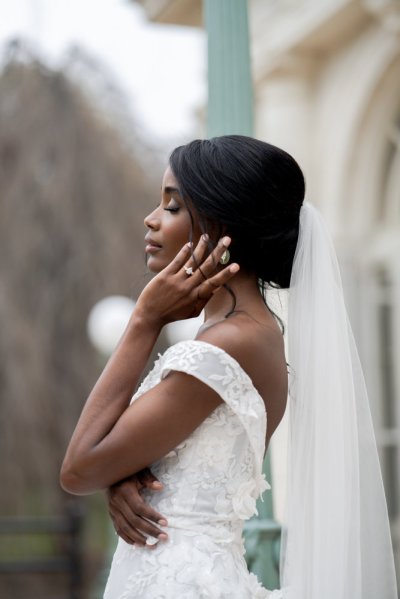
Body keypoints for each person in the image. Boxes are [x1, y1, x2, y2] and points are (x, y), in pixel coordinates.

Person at [61, 136, 397, 598]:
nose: (151, 218)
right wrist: (120, 472)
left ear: (222, 225)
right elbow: (112, 462)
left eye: (173, 206)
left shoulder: (228, 345)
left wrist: (145, 319)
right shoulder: (243, 335)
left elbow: (78, 467)